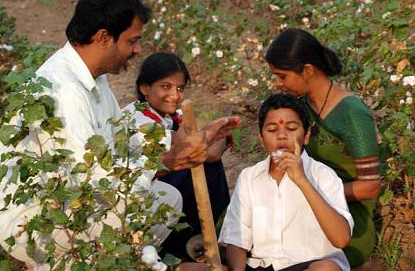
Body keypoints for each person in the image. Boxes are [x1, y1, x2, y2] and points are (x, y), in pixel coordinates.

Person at [0, 0, 240, 268]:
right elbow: (94, 182)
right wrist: (169, 160)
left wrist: (193, 139)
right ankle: (72, 261)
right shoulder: (65, 92)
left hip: (75, 199)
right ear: (104, 37)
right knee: (142, 205)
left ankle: (123, 261)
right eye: (132, 41)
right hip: (38, 222)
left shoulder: (93, 79)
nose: (137, 50)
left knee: (165, 198)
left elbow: (125, 138)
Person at [265, 28, 381, 267]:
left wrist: (310, 192)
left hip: (344, 218)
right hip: (303, 198)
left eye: (282, 76)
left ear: (308, 70)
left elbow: (370, 188)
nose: (277, 84)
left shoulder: (352, 115)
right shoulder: (300, 107)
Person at [219, 93, 353, 271]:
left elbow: (341, 239)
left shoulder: (323, 175)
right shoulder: (249, 178)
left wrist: (302, 181)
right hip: (262, 266)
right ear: (261, 138)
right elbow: (236, 241)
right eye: (272, 130)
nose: (281, 136)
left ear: (306, 136)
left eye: (291, 128)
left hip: (309, 264)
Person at [123, 52, 232, 259]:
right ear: (145, 87)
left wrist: (213, 137)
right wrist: (217, 136)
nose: (175, 95)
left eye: (180, 88)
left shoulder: (168, 115)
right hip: (141, 200)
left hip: (163, 190)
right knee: (200, 164)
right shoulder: (138, 121)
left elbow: (206, 146)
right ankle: (192, 244)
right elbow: (203, 151)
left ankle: (210, 237)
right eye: (166, 86)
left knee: (204, 166)